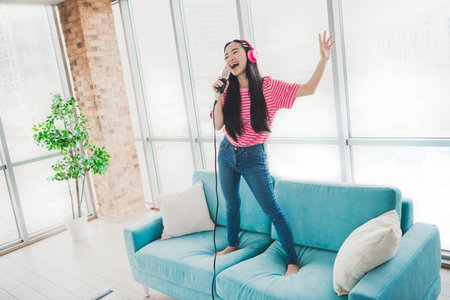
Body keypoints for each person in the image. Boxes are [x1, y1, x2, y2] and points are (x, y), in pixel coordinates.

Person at [210, 31, 335, 276]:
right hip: (226, 152)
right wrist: (217, 96)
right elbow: (217, 125)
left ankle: (292, 261)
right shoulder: (228, 91)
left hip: (252, 158)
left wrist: (323, 59)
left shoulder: (269, 87)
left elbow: (308, 89)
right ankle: (232, 244)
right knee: (231, 203)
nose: (230, 58)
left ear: (250, 54)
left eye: (235, 51)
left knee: (273, 211)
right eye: (226, 56)